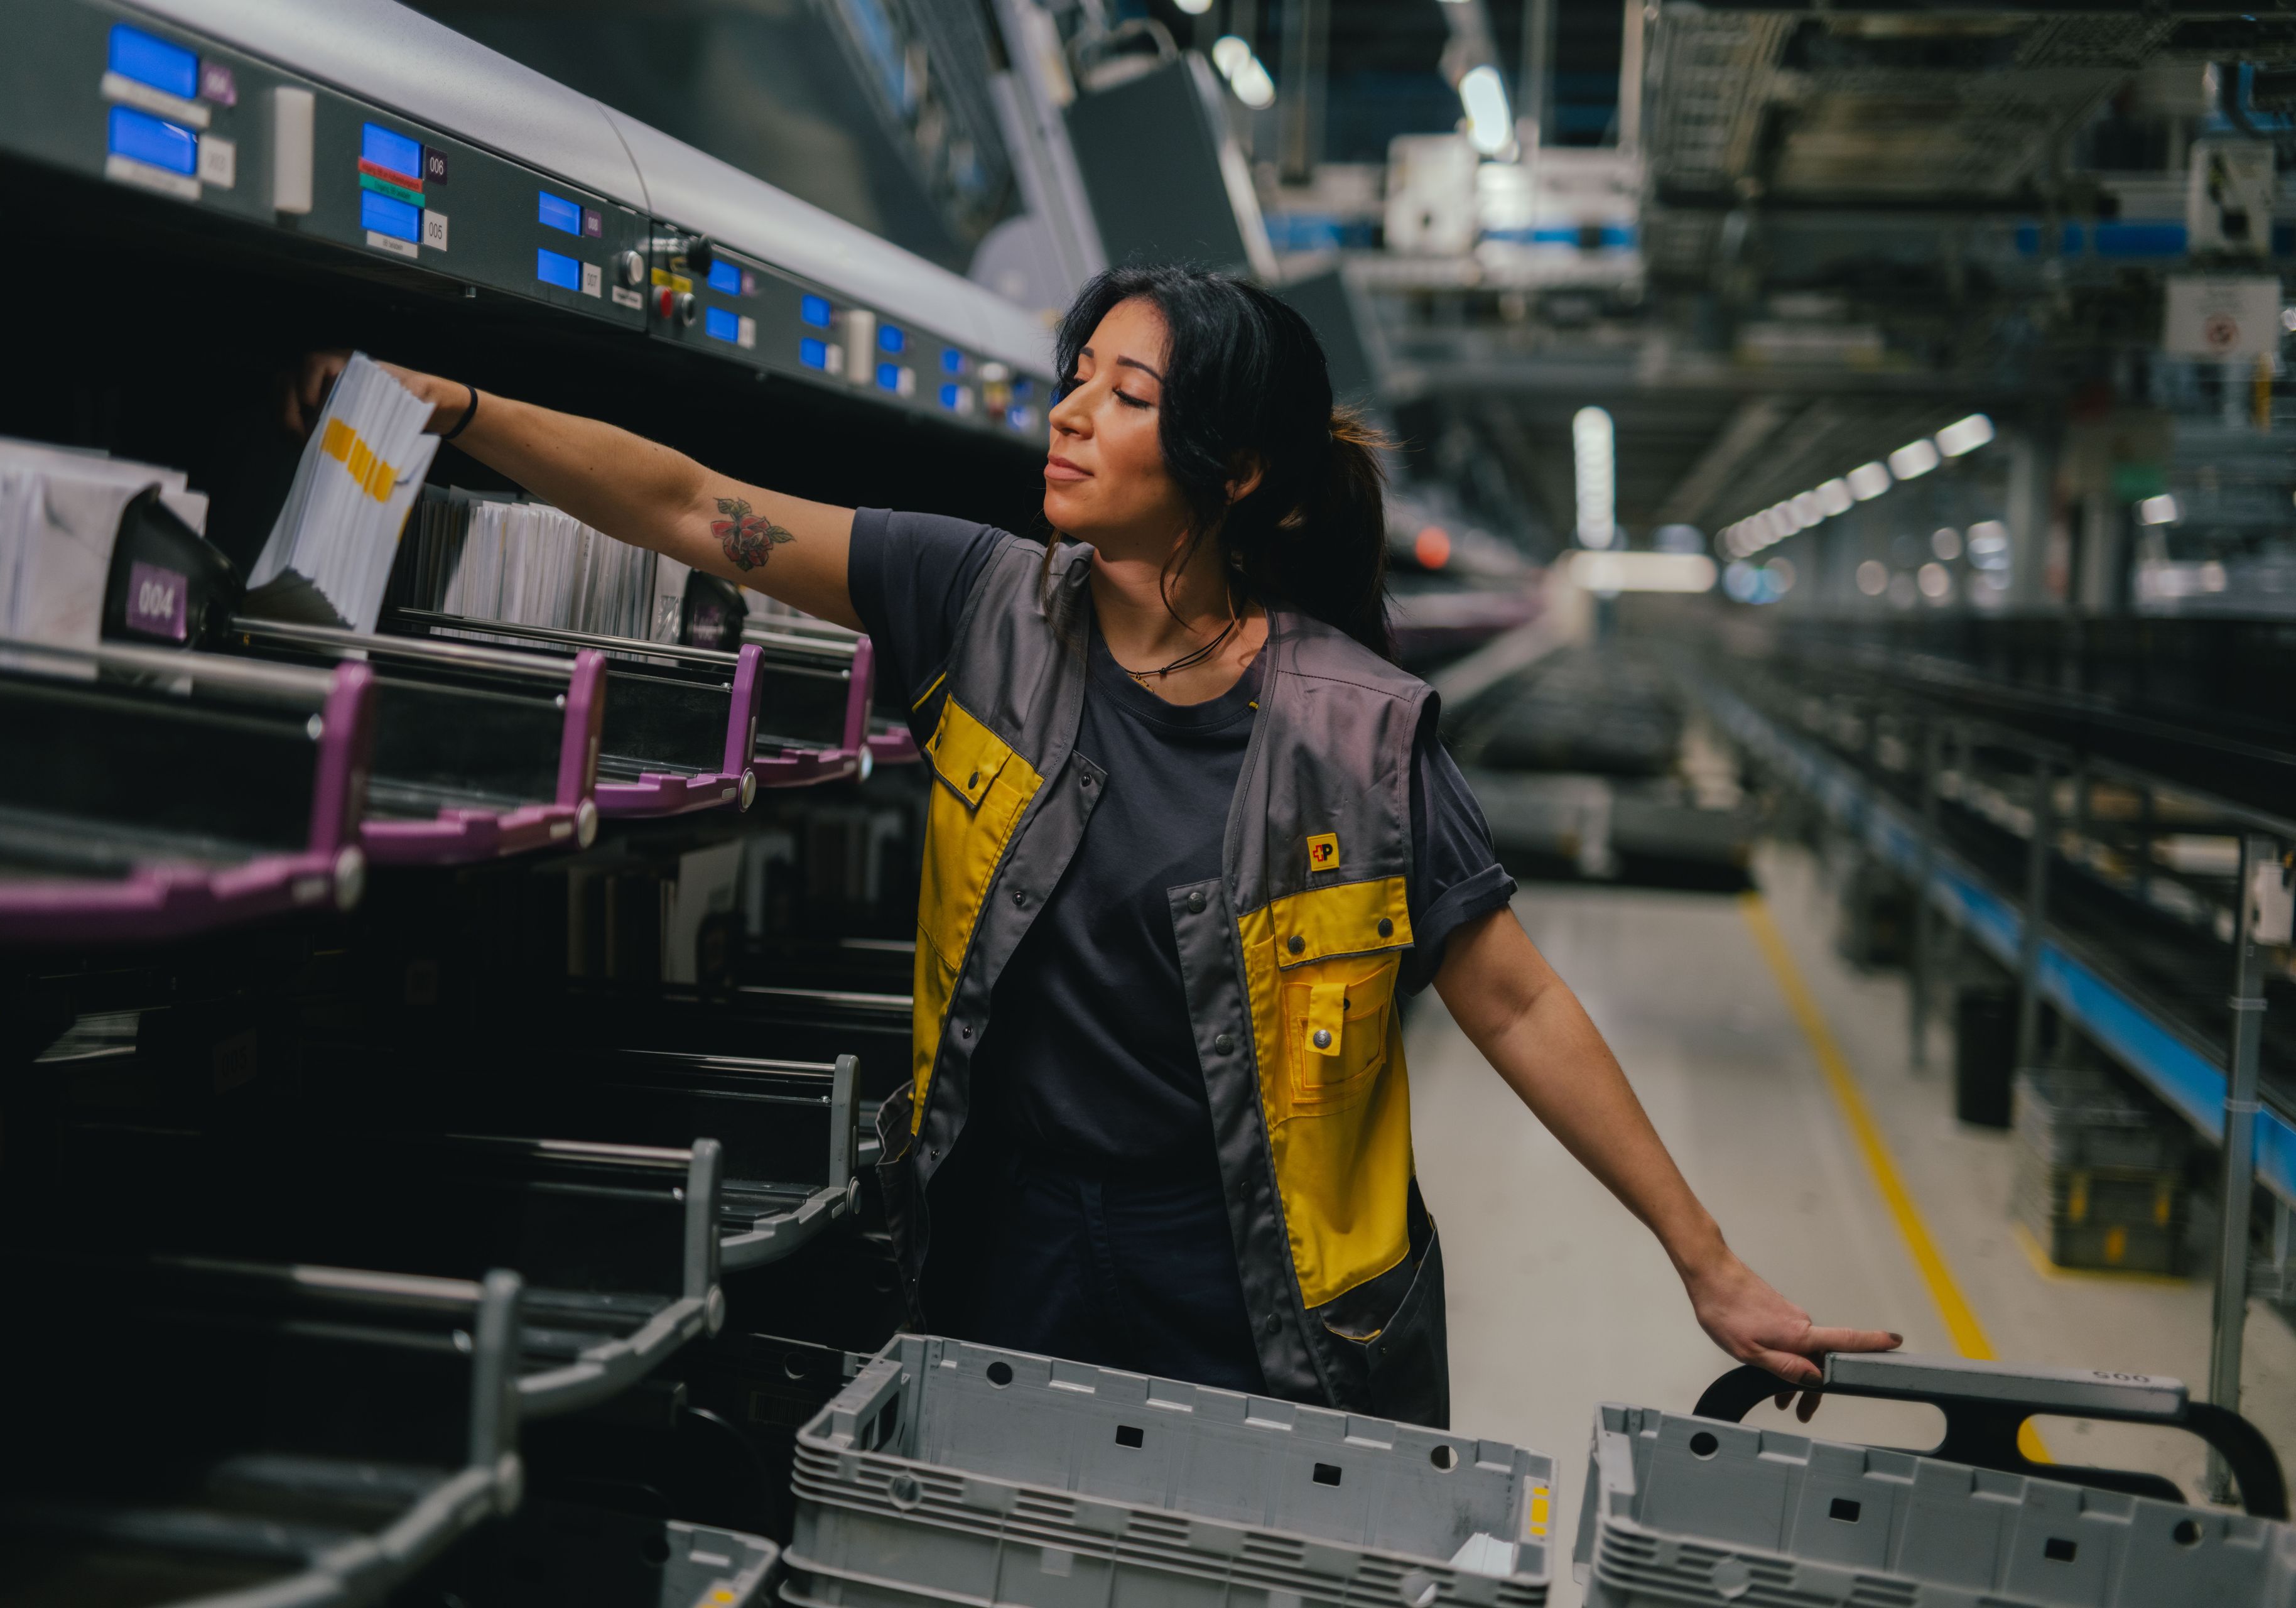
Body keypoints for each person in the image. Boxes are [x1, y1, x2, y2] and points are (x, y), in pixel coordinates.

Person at [290, 264, 1897, 1427]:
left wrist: (1708, 1261)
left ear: (1232, 470)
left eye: (1126, 396)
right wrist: (463, 407)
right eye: (1077, 377)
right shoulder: (974, 606)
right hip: (1012, 1249)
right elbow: (701, 505)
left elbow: (1519, 1004)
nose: (1069, 411)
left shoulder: (1359, 729)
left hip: (1259, 1293)